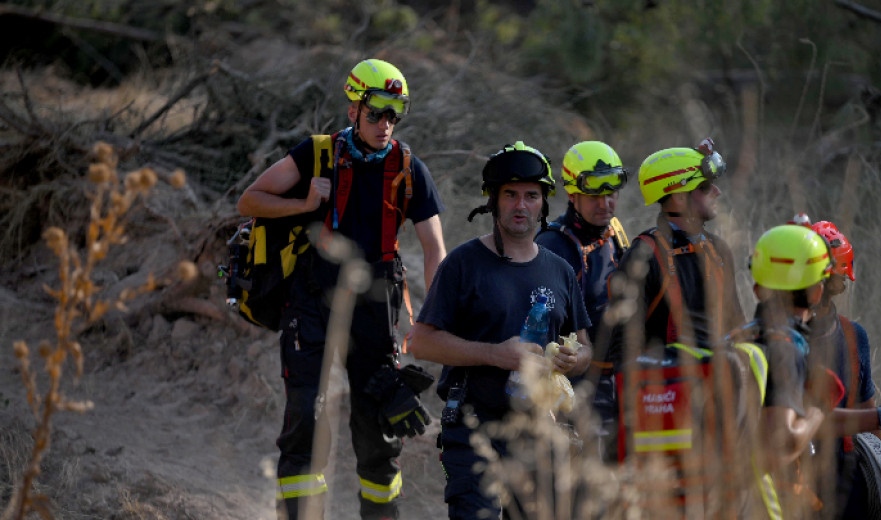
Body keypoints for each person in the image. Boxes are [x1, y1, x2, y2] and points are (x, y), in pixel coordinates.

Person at [237, 58, 446, 520]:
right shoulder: (316, 153)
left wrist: (435, 321)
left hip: (375, 310)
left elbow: (435, 249)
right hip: (310, 303)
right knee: (305, 421)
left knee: (377, 428)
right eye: (377, 113)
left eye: (396, 114)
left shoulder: (409, 168)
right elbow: (249, 200)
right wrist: (306, 202)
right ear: (353, 109)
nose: (385, 124)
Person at [409, 141, 592, 519]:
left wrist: (574, 359)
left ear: (544, 202)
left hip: (541, 434)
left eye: (531, 195)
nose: (520, 205)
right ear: (492, 200)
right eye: (510, 195)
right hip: (475, 430)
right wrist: (494, 354)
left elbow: (587, 349)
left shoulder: (559, 270)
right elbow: (422, 342)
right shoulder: (463, 264)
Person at [734, 224, 881, 518]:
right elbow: (783, 433)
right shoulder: (780, 346)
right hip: (787, 486)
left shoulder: (852, 336)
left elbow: (866, 423)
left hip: (840, 481)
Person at [603, 138, 745, 367]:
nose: (717, 192)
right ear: (679, 197)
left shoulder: (719, 250)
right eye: (705, 187)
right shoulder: (643, 255)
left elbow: (738, 329)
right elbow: (623, 352)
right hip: (667, 395)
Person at [534, 140, 630, 450]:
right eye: (595, 196)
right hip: (577, 388)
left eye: (611, 194)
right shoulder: (552, 245)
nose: (605, 204)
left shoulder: (615, 231)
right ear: (572, 193)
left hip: (622, 380)